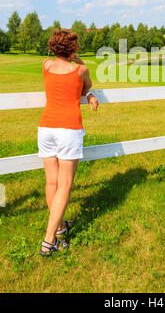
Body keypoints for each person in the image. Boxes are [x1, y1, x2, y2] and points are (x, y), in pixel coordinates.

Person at [38, 29, 99, 256]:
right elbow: (87, 85)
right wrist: (90, 93)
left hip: (46, 128)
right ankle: (48, 239)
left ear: (53, 48)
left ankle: (61, 227)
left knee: (51, 183)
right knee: (64, 185)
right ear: (73, 49)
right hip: (69, 129)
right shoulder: (81, 69)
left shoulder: (46, 65)